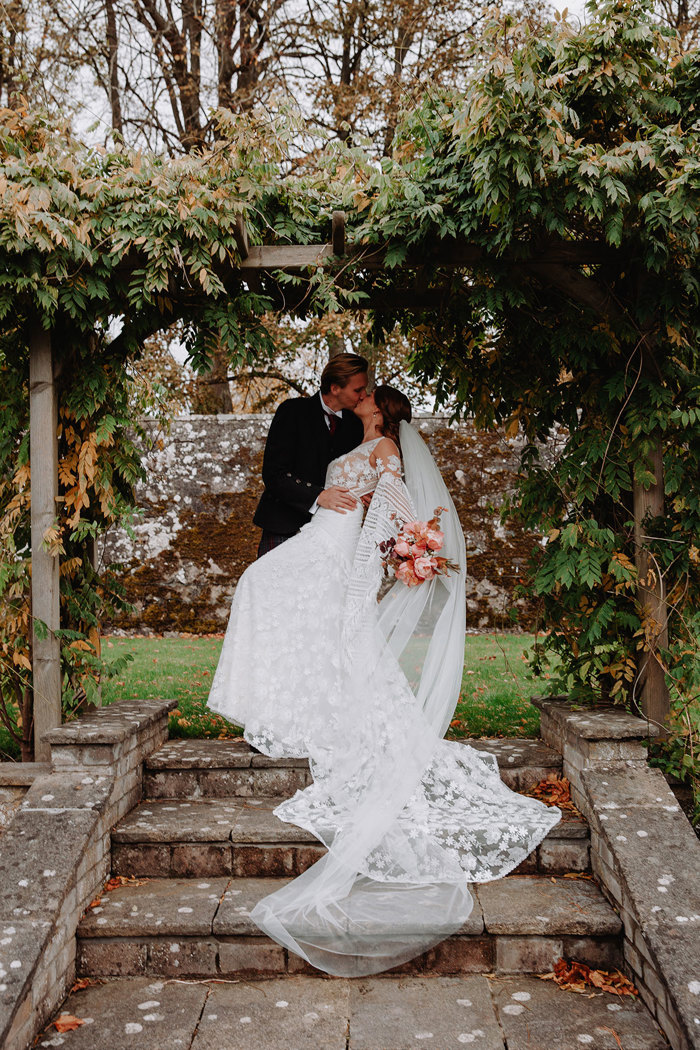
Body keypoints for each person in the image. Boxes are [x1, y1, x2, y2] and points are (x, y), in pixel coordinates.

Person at [207, 385, 560, 977]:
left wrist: (392, 556)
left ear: (382, 409)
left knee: (272, 592)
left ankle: (315, 711)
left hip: (341, 551)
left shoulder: (388, 449)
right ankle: (291, 704)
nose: (363, 398)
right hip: (319, 534)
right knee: (263, 589)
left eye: (371, 396)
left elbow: (397, 510)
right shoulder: (356, 438)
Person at [252, 352, 367, 557]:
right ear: (335, 388)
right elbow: (274, 474)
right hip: (283, 525)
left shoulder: (356, 426)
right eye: (358, 389)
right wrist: (318, 495)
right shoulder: (292, 411)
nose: (363, 395)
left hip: (330, 532)